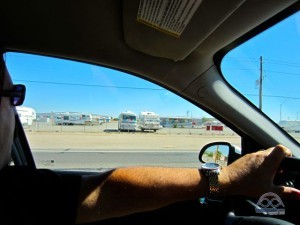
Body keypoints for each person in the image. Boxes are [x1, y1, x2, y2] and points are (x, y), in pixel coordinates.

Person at [0, 55, 300, 225]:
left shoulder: (17, 190)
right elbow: (107, 190)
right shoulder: (11, 195)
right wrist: (226, 178)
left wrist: (225, 179)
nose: (14, 114)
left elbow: (98, 190)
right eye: (13, 97)